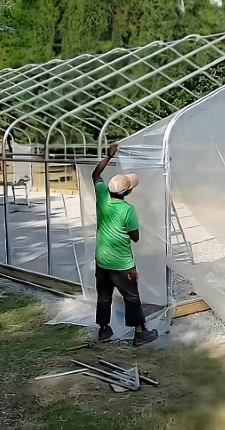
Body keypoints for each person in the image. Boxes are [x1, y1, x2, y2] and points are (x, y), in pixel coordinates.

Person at [91, 143, 158, 345]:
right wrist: (137, 230)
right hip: (121, 264)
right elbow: (135, 236)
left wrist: (109, 156)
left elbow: (95, 175)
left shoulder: (102, 197)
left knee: (104, 297)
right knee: (132, 297)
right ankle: (140, 333)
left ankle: (104, 331)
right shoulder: (127, 210)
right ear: (127, 192)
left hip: (102, 260)